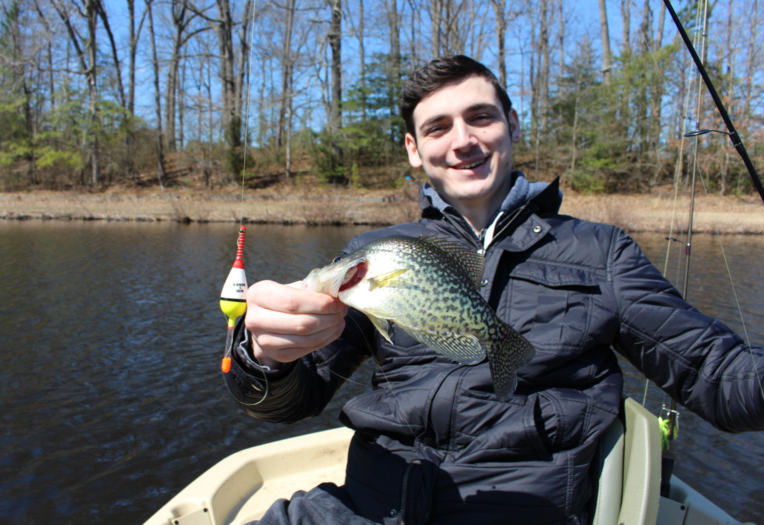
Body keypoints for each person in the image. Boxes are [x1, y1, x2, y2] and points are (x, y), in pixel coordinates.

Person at [224, 55, 764, 524]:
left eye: (480, 116)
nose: (463, 140)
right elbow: (289, 401)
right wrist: (264, 357)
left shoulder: (601, 252)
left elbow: (719, 377)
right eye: (438, 127)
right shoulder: (375, 252)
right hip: (371, 504)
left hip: (521, 509)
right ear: (414, 149)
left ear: (513, 124)